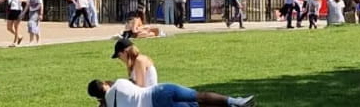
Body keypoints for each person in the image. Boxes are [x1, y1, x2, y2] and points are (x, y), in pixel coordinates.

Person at [88, 78, 253, 107]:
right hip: (161, 89)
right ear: (104, 83)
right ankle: (235, 101)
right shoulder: (120, 83)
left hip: (156, 105)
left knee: (197, 106)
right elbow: (135, 84)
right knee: (199, 96)